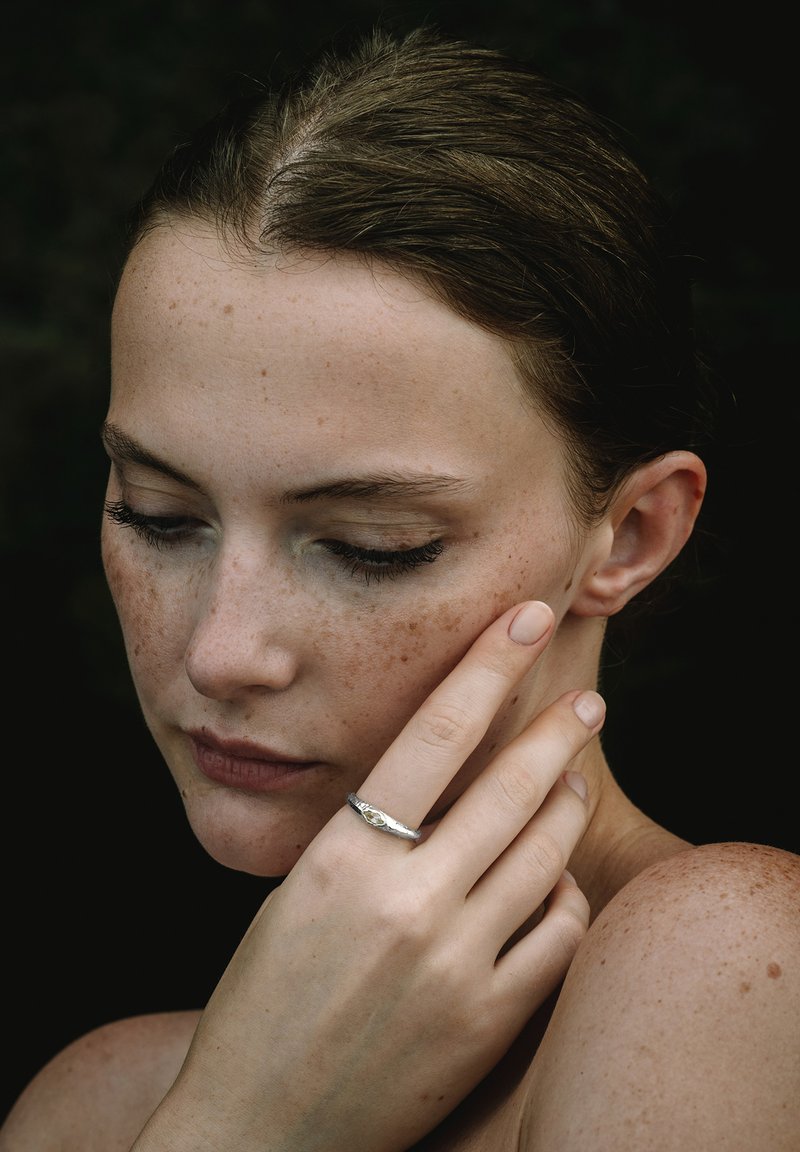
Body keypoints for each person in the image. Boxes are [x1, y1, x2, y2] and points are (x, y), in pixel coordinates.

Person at [2, 23, 797, 1151]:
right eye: (157, 514)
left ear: (628, 535)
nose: (221, 652)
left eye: (372, 545)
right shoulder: (97, 1107)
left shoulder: (728, 963)